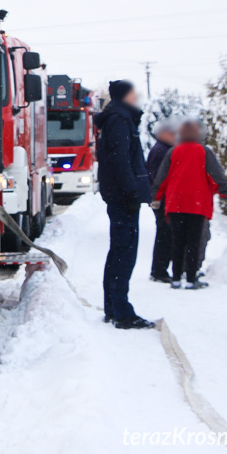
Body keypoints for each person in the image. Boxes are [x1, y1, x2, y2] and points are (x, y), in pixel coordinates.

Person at [94, 80, 156, 329]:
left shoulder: (118, 118)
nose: (137, 96)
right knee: (124, 252)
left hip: (119, 195)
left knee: (119, 250)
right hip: (122, 196)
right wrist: (131, 191)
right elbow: (120, 159)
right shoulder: (120, 120)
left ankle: (114, 308)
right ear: (125, 96)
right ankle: (121, 312)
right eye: (134, 93)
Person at [152, 120, 227, 290]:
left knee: (177, 240)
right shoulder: (204, 152)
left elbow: (162, 177)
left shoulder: (173, 152)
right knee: (193, 242)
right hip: (197, 204)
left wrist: (157, 197)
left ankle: (175, 279)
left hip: (175, 204)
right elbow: (216, 176)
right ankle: (190, 278)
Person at [146, 121, 177, 282]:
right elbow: (159, 177)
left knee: (165, 234)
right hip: (162, 200)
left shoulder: (161, 149)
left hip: (161, 198)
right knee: (164, 234)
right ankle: (159, 271)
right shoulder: (162, 151)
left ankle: (160, 269)